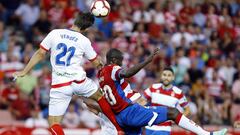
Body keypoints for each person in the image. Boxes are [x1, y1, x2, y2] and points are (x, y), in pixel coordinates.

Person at [13, 12, 123, 135]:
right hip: (79, 81)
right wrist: (103, 68)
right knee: (100, 97)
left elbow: (40, 53)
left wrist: (24, 71)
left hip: (60, 85)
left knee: (54, 123)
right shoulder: (84, 40)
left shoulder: (55, 33)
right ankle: (118, 128)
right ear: (86, 28)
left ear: (75, 21)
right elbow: (96, 63)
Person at [95, 48, 227, 135]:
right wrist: (147, 60)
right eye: (120, 62)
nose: (121, 64)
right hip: (130, 112)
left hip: (120, 116)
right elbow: (127, 73)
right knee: (172, 112)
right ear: (113, 61)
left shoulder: (101, 75)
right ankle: (206, 134)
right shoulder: (112, 69)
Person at [144, 67, 190, 135]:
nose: (166, 77)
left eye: (169, 75)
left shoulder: (178, 92)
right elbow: (142, 101)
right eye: (164, 75)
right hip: (149, 127)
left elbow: (187, 109)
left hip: (164, 129)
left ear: (173, 77)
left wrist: (176, 119)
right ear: (161, 76)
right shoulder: (153, 87)